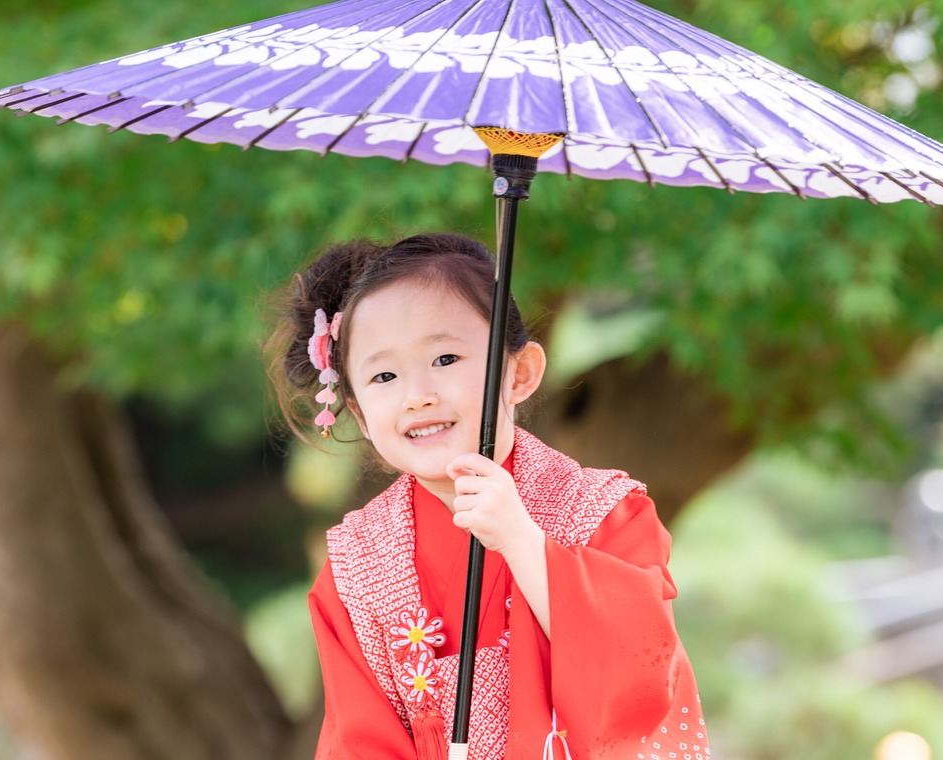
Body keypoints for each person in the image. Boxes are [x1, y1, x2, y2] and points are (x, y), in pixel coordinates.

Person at [267, 233, 710, 760]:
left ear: (519, 373)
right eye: (384, 375)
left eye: (446, 358)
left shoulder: (604, 511)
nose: (418, 395)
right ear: (360, 413)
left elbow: (639, 674)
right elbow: (358, 742)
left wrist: (523, 542)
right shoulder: (355, 565)